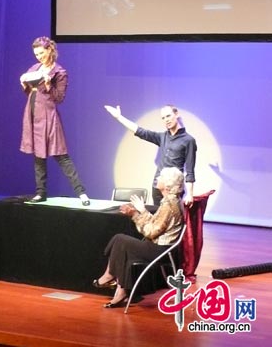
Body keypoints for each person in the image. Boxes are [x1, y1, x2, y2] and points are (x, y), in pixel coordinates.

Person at [93, 167, 184, 308]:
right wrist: (142, 210)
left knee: (120, 239)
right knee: (123, 245)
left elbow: (151, 232)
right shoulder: (171, 201)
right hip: (161, 247)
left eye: (161, 176)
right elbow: (157, 224)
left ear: (167, 185)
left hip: (160, 250)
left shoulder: (169, 204)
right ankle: (119, 289)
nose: (157, 178)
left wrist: (135, 214)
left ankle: (110, 275)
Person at [20, 36, 90, 205]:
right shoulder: (34, 68)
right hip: (32, 113)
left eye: (41, 53)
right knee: (38, 156)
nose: (38, 57)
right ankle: (40, 192)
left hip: (48, 115)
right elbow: (29, 91)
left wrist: (48, 84)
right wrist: (24, 84)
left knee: (61, 155)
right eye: (36, 54)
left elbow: (59, 98)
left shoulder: (59, 72)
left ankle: (81, 193)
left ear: (49, 50)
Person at [104, 103, 196, 206]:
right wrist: (119, 117)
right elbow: (140, 131)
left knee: (172, 220)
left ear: (176, 114)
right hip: (158, 187)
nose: (166, 119)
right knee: (157, 219)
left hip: (174, 190)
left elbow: (190, 171)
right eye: (163, 118)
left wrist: (190, 195)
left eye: (168, 116)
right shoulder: (163, 137)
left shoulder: (188, 140)